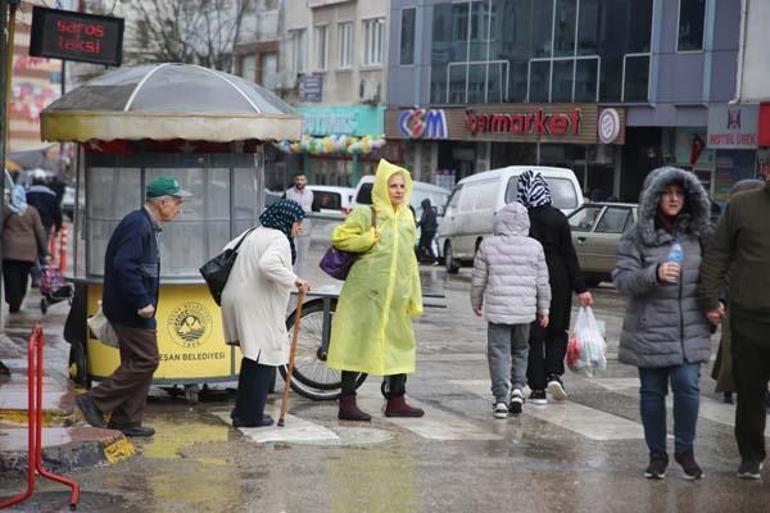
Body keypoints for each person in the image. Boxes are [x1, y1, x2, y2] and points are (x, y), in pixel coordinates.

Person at [613, 166, 713, 480]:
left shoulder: (698, 233)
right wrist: (653, 275)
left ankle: (685, 449)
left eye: (679, 193)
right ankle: (657, 454)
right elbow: (622, 279)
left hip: (689, 330)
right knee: (652, 394)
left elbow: (714, 274)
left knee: (688, 386)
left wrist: (717, 301)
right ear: (654, 198)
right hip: (650, 330)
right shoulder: (637, 235)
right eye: (667, 193)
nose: (673, 199)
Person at [75, 176, 191, 437]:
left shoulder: (144, 224)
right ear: (162, 202)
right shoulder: (137, 224)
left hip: (133, 308)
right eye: (177, 202)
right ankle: (94, 401)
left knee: (135, 361)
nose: (179, 208)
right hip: (131, 309)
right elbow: (124, 265)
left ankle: (126, 420)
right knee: (146, 360)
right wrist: (141, 301)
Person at [327, 159, 424, 421]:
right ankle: (347, 403)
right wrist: (366, 239)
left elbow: (409, 258)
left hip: (396, 296)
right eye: (393, 185)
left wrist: (414, 293)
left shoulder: (407, 216)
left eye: (402, 185)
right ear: (382, 186)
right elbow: (340, 237)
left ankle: (396, 400)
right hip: (364, 295)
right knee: (354, 343)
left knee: (399, 345)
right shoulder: (365, 213)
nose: (399, 190)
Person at [699, 168, 770, 480]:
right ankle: (751, 455)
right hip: (749, 316)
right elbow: (717, 255)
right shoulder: (741, 206)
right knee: (750, 391)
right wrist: (711, 299)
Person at [221, 199, 310, 428]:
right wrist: (295, 279)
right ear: (287, 220)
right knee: (264, 356)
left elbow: (227, 250)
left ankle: (242, 412)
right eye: (298, 222)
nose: (299, 227)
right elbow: (267, 264)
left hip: (237, 299)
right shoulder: (279, 238)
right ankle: (251, 416)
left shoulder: (255, 232)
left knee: (253, 356)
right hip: (255, 303)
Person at [516, 170, 592, 405]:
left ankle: (537, 388)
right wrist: (581, 288)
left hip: (531, 277)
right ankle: (554, 374)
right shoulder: (558, 217)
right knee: (558, 330)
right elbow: (570, 255)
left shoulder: (521, 218)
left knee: (534, 335)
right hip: (559, 277)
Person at [471, 201, 551, 419]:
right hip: (525, 312)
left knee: (498, 353)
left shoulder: (488, 245)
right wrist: (544, 309)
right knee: (520, 350)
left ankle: (500, 399)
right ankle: (517, 388)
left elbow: (479, 279)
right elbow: (542, 282)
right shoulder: (535, 247)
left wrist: (476, 302)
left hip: (498, 311)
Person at [708, 179, 764, 405]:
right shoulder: (730, 227)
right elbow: (717, 263)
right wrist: (718, 298)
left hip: (752, 296)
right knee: (733, 343)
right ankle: (732, 386)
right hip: (735, 297)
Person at [2, 185, 48, 313]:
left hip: (9, 252)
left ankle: (12, 300)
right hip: (28, 253)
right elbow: (40, 231)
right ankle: (18, 298)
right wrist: (45, 251)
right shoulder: (32, 211)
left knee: (10, 279)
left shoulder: (6, 210)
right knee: (23, 278)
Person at [284, 172, 313, 273]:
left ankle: (301, 279)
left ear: (306, 181)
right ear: (294, 180)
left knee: (303, 257)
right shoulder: (288, 193)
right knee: (292, 255)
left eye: (302, 179)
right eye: (297, 179)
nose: (299, 182)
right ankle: (291, 279)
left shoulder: (310, 194)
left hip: (306, 230)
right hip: (292, 229)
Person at [416, 198, 438, 264]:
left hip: (425, 231)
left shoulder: (425, 212)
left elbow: (423, 221)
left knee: (420, 246)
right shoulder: (433, 212)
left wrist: (417, 224)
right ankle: (434, 260)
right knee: (428, 246)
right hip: (432, 232)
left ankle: (418, 260)